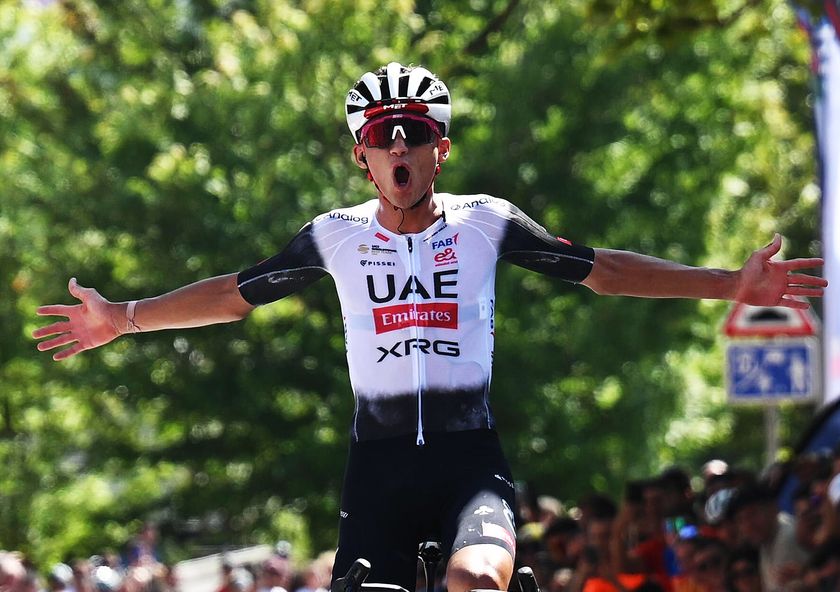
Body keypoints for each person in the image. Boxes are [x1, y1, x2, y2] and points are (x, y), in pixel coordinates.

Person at [32, 61, 827, 592]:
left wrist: (727, 283)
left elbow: (604, 272)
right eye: (383, 136)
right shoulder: (336, 234)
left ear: (439, 151)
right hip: (376, 468)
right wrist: (125, 319)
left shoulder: (486, 223)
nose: (399, 144)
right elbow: (235, 294)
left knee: (479, 580)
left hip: (467, 461)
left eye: (414, 132)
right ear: (363, 160)